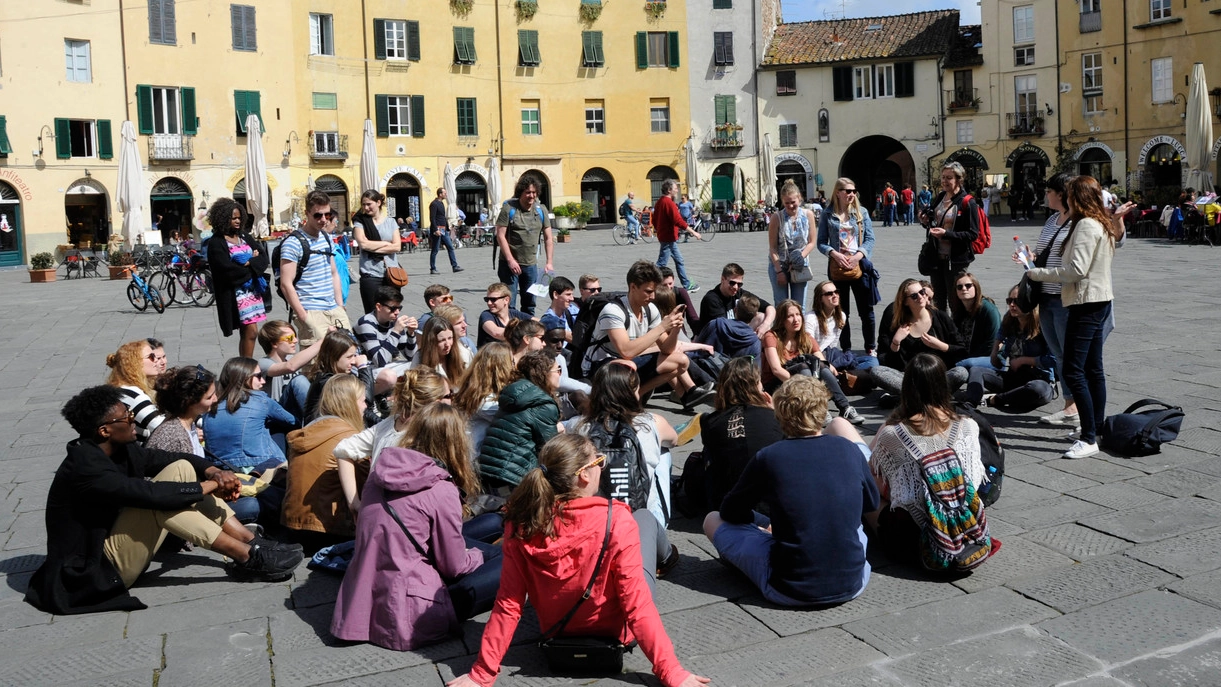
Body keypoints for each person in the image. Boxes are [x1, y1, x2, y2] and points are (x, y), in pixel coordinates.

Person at [449, 434, 710, 687]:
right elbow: (637, 606)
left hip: (556, 633)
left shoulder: (521, 525)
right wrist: (670, 670)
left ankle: (666, 556)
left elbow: (508, 604)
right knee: (643, 518)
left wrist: (482, 673)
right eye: (599, 462)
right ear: (584, 475)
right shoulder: (616, 520)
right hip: (614, 636)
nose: (602, 467)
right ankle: (668, 558)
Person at [26, 386, 302, 615]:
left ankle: (249, 540)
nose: (134, 421)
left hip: (116, 543)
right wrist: (210, 485)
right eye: (127, 418)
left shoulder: (121, 449)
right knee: (160, 503)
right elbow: (149, 495)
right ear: (104, 431)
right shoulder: (86, 468)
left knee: (181, 469)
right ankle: (245, 557)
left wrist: (214, 471)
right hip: (97, 568)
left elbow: (172, 460)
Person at [332, 404, 503, 651]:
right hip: (409, 610)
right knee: (510, 560)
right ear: (455, 442)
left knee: (489, 527)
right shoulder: (441, 489)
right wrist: (475, 556)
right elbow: (453, 566)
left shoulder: (379, 472)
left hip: (363, 601)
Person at [704, 375, 878, 606]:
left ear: (779, 413)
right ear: (821, 409)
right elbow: (871, 503)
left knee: (712, 520)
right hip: (854, 581)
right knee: (851, 528)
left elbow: (731, 512)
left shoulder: (770, 457)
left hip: (789, 588)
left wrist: (762, 521)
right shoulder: (848, 448)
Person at [1025, 176, 1128, 459]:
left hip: (1085, 303)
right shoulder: (1101, 222)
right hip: (1100, 300)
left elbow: (1076, 270)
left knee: (1073, 369)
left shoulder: (1084, 225)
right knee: (1093, 369)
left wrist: (1037, 273)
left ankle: (1087, 437)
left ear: (1077, 197)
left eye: (1069, 194)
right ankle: (1094, 429)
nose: (1066, 199)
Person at [867, 354, 992, 563]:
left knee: (863, 483)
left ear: (905, 388)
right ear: (944, 385)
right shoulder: (968, 425)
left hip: (915, 538)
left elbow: (878, 478)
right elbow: (974, 480)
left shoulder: (893, 434)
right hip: (965, 531)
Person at [574, 365, 681, 591]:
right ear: (632, 392)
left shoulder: (580, 427)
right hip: (640, 521)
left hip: (595, 526)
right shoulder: (651, 421)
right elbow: (675, 439)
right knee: (663, 454)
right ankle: (661, 549)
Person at [581, 261, 714, 408]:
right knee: (629, 364)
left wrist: (675, 329)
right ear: (633, 287)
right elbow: (626, 351)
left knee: (681, 361)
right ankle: (626, 398)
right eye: (648, 291)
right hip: (600, 366)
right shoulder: (613, 311)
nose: (653, 296)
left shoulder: (650, 309)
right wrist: (662, 327)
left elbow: (667, 350)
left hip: (628, 363)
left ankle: (636, 395)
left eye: (655, 291)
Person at [336, 368, 450, 515]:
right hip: (407, 522)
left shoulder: (388, 423)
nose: (452, 400)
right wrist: (355, 504)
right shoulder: (428, 434)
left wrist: (355, 503)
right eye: (448, 395)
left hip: (373, 515)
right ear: (436, 402)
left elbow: (343, 449)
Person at [282, 375, 366, 553]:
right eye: (363, 401)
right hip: (329, 531)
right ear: (351, 403)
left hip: (292, 526)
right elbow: (368, 481)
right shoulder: (351, 438)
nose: (366, 406)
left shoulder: (309, 429)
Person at [695, 358, 785, 514]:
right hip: (773, 507)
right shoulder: (774, 418)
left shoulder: (710, 420)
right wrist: (776, 414)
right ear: (757, 385)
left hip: (728, 508)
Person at [1027, 174, 1079, 427]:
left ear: (1061, 194)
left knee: (1070, 355)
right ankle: (1071, 404)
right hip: (1044, 295)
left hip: (1064, 296)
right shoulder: (1050, 220)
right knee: (1058, 354)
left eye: (1049, 190)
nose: (1045, 194)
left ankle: (1078, 405)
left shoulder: (1079, 222)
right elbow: (1041, 252)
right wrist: (1029, 257)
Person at [760, 299, 864, 424]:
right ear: (782, 320)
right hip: (777, 383)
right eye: (790, 316)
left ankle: (845, 407)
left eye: (798, 315)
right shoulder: (771, 337)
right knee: (804, 367)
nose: (796, 319)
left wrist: (829, 369)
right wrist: (805, 386)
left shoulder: (805, 337)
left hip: (804, 383)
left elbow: (821, 359)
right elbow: (776, 370)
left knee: (821, 367)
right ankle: (815, 408)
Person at [957, 285, 1056, 413]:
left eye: (1017, 301)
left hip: (1039, 379)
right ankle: (970, 404)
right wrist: (994, 353)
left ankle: (997, 399)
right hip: (1014, 378)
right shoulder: (1010, 321)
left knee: (1038, 390)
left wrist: (1024, 360)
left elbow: (1053, 359)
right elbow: (1000, 336)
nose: (1012, 305)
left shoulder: (1043, 325)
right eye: (1009, 301)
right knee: (976, 370)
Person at [478, 350, 562, 493]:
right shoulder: (543, 404)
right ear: (544, 374)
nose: (561, 374)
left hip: (489, 468)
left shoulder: (516, 393)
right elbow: (549, 448)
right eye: (558, 370)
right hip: (514, 474)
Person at [872, 279, 967, 397]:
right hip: (908, 378)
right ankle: (930, 397)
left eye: (922, 292)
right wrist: (896, 342)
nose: (921, 297)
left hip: (936, 375)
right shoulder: (898, 323)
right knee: (876, 371)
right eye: (914, 296)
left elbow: (962, 350)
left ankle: (913, 397)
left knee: (961, 373)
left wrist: (940, 345)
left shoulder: (940, 317)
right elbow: (887, 362)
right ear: (906, 302)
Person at [279, 190, 349, 347]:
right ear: (307, 214)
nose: (323, 219)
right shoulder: (293, 243)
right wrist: (303, 316)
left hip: (334, 308)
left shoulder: (327, 238)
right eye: (318, 215)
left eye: (328, 215)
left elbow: (333, 273)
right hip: (311, 310)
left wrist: (340, 305)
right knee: (315, 365)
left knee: (346, 357)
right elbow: (286, 283)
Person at [203, 357, 296, 476]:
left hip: (220, 467)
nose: (263, 381)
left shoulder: (211, 408)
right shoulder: (260, 399)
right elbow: (293, 422)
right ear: (245, 378)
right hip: (259, 464)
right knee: (276, 425)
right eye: (258, 376)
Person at [817, 177, 877, 355]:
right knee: (842, 312)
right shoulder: (828, 214)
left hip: (859, 267)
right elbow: (821, 242)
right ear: (838, 192)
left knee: (867, 311)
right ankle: (847, 348)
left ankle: (870, 347)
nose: (852, 194)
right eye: (847, 191)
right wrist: (833, 253)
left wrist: (858, 256)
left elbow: (870, 239)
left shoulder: (861, 212)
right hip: (837, 267)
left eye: (853, 191)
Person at [205, 198, 269, 358]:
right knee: (251, 331)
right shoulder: (216, 242)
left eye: (239, 217)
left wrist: (248, 263)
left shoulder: (244, 236)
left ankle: (244, 366)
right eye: (234, 218)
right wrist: (251, 264)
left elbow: (263, 258)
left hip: (253, 292)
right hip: (236, 295)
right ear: (223, 218)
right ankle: (246, 367)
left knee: (249, 332)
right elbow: (226, 271)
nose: (238, 221)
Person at [920, 162, 980, 312]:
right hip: (936, 257)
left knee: (956, 302)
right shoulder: (940, 196)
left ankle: (958, 333)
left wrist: (946, 234)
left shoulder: (968, 202)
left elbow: (973, 233)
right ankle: (941, 332)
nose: (944, 181)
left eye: (949, 178)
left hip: (956, 260)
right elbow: (934, 221)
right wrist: (926, 221)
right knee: (937, 300)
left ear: (959, 180)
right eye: (943, 177)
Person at [494, 173, 554, 314]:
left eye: (534, 192)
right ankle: (511, 332)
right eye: (528, 192)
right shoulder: (509, 208)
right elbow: (500, 236)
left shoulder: (541, 210)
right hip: (509, 265)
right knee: (509, 303)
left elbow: (548, 238)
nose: (531, 196)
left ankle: (527, 332)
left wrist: (549, 262)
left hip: (531, 265)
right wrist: (510, 260)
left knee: (530, 304)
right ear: (521, 192)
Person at [453, 343, 516, 459]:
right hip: (474, 459)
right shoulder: (484, 401)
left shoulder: (476, 392)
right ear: (501, 368)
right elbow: (512, 420)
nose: (514, 366)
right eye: (512, 362)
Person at [302, 330, 377, 426]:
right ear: (334, 356)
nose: (354, 361)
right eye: (349, 357)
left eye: (354, 355)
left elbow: (365, 410)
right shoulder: (327, 382)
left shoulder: (342, 375)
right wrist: (363, 368)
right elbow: (366, 401)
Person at [256, 320, 324, 423]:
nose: (296, 341)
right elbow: (290, 366)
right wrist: (323, 340)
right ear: (274, 343)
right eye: (290, 338)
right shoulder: (263, 363)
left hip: (297, 412)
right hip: (278, 415)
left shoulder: (291, 358)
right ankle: (320, 422)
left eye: (295, 336)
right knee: (299, 380)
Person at [357, 286, 419, 394]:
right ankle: (368, 397)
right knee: (390, 377)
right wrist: (395, 332)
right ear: (379, 306)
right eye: (392, 308)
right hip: (366, 370)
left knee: (420, 364)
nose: (396, 312)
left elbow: (411, 356)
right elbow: (379, 360)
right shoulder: (366, 323)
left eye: (399, 308)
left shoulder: (394, 322)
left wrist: (411, 333)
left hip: (384, 367)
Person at [767, 180, 819, 308]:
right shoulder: (776, 217)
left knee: (799, 306)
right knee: (781, 305)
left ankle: (798, 328)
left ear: (799, 198)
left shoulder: (808, 215)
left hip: (800, 265)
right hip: (780, 265)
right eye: (786, 203)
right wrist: (779, 271)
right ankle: (781, 328)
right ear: (782, 202)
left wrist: (799, 257)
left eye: (793, 202)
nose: (790, 206)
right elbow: (773, 248)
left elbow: (812, 242)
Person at [353, 190, 404, 313]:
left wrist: (373, 246)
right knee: (372, 311)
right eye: (364, 204)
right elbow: (363, 244)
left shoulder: (391, 222)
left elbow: (397, 247)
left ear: (378, 202)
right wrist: (386, 244)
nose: (366, 207)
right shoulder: (360, 222)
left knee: (392, 311)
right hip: (370, 272)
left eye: (369, 204)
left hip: (391, 272)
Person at [105, 340, 166, 442]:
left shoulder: (120, 388)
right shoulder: (134, 396)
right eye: (151, 357)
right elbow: (163, 428)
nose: (156, 360)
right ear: (134, 363)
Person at [696, 262, 775, 337]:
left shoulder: (739, 293)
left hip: (734, 333)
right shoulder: (712, 299)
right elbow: (723, 329)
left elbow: (770, 308)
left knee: (762, 317)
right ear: (722, 279)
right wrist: (749, 336)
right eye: (732, 283)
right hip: (717, 339)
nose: (736, 287)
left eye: (739, 284)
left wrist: (765, 325)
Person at [653, 179, 701, 293]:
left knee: (679, 260)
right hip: (668, 237)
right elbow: (678, 220)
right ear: (669, 190)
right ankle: (649, 282)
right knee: (661, 263)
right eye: (675, 188)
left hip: (665, 236)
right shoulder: (669, 203)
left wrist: (659, 229)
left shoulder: (659, 202)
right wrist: (693, 232)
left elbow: (654, 220)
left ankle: (686, 284)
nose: (677, 190)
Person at [948, 272, 1001, 368]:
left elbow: (992, 342)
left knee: (963, 364)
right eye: (959, 287)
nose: (964, 289)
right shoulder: (958, 311)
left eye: (968, 286)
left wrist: (968, 357)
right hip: (965, 355)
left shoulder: (988, 309)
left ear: (976, 287)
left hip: (990, 357)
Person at [693, 293, 762, 360]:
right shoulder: (754, 342)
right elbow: (755, 368)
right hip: (735, 371)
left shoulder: (715, 324)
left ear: (735, 310)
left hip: (707, 369)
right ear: (755, 315)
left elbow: (698, 346)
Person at [409, 316, 468, 382]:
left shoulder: (463, 353)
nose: (447, 344)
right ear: (431, 342)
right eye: (442, 340)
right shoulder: (419, 357)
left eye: (450, 338)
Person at [479, 282, 531, 348]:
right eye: (487, 299)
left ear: (506, 300)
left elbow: (538, 323)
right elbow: (496, 332)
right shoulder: (486, 315)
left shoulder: (514, 313)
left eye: (493, 300)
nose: (489, 303)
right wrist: (525, 334)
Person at [428, 188, 463, 275]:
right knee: (435, 249)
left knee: (450, 247)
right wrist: (435, 229)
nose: (446, 194)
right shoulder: (434, 204)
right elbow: (432, 218)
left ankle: (454, 266)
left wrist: (447, 227)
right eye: (444, 193)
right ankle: (433, 268)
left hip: (444, 229)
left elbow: (442, 217)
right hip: (437, 229)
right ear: (440, 194)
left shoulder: (441, 203)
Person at [539, 276, 577, 342]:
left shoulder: (571, 310)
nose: (572, 298)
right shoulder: (548, 320)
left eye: (572, 294)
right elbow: (576, 340)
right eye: (568, 294)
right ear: (555, 295)